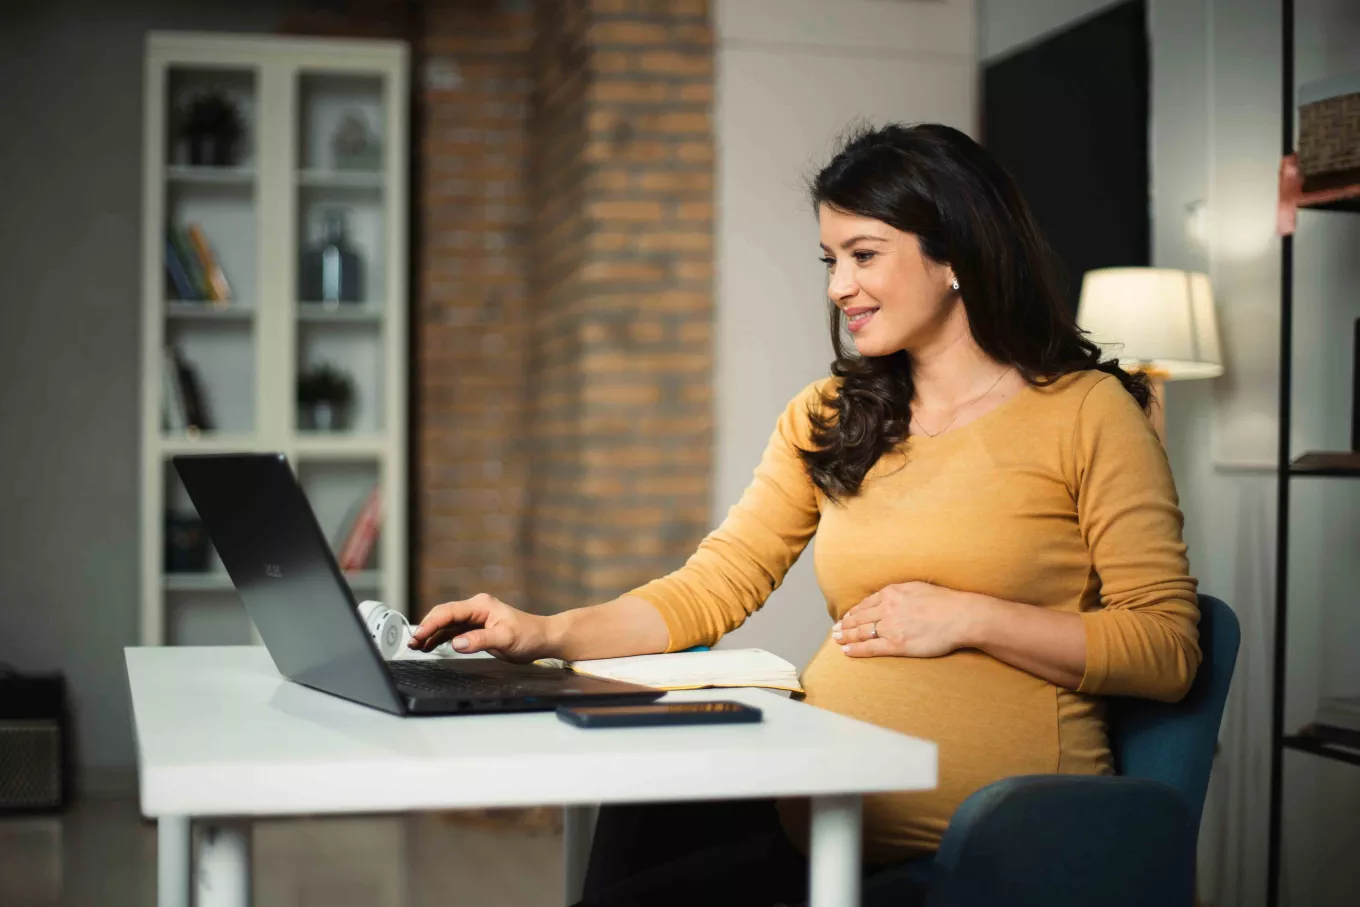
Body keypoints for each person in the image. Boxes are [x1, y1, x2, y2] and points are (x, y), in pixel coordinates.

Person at [408, 122, 1201, 907]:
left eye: (863, 255)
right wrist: (544, 632)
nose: (837, 287)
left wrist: (970, 617)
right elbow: (715, 585)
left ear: (953, 251)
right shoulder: (829, 414)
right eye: (831, 260)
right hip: (819, 817)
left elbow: (1168, 648)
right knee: (637, 813)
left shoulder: (1086, 412)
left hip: (992, 849)